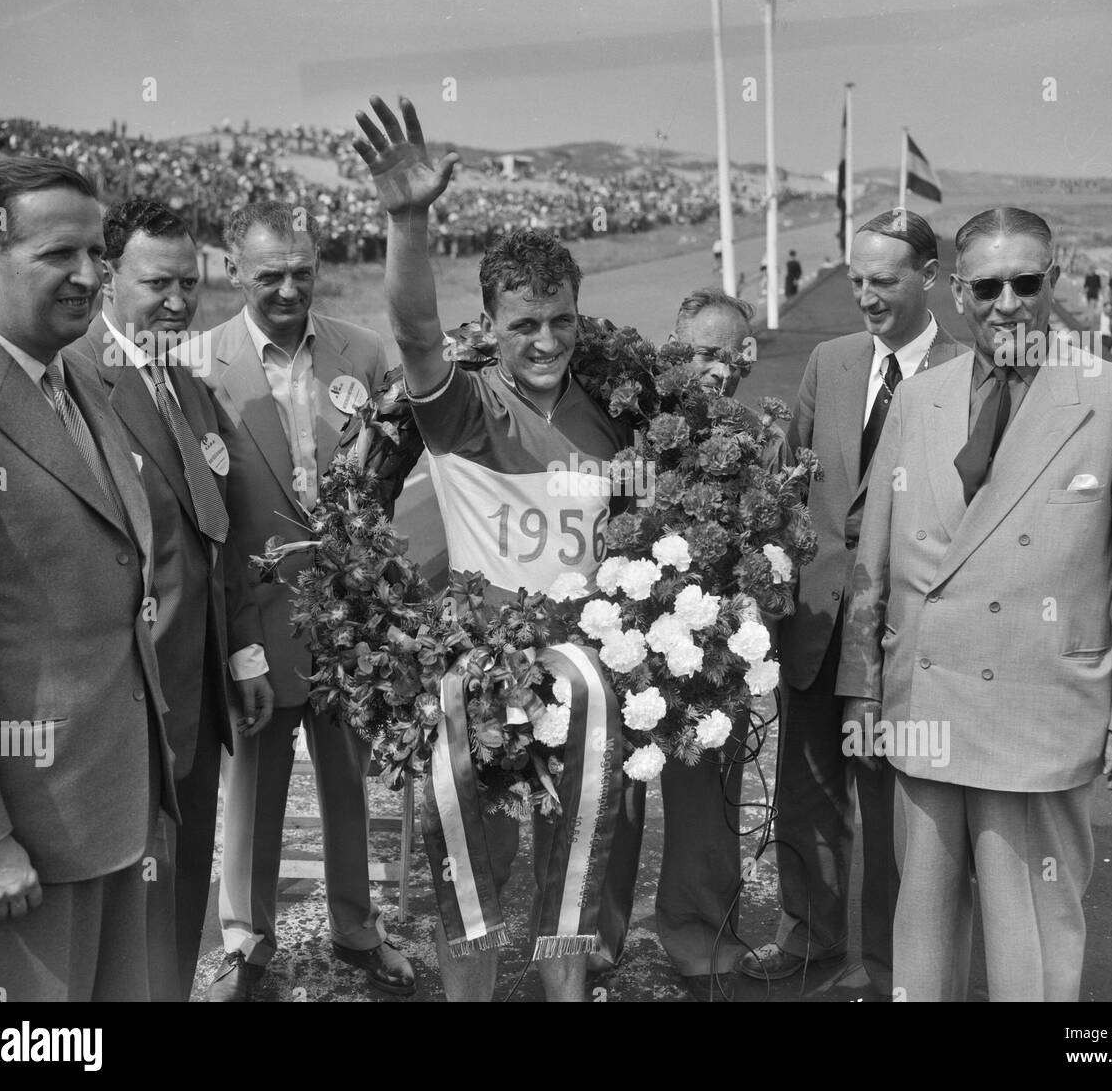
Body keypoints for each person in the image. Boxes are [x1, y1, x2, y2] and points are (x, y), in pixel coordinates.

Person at [836, 207, 1112, 1001]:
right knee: (920, 929)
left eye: (1026, 282)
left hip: (1038, 711)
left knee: (1029, 934)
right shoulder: (922, 398)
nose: (1007, 303)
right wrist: (860, 688)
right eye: (988, 285)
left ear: (1053, 283)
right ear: (957, 292)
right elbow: (874, 562)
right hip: (923, 704)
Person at [354, 94, 631, 1003]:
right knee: (465, 857)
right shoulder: (464, 407)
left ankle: (565, 993)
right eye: (523, 325)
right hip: (480, 672)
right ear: (494, 328)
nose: (545, 340)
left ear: (578, 316)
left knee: (578, 851)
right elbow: (415, 331)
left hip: (585, 675)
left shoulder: (618, 417)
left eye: (560, 320)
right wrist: (408, 221)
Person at [0, 158, 176, 1000]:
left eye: (97, 253)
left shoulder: (77, 373)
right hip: (21, 841)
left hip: (116, 807)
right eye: (59, 255)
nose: (89, 276)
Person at [190, 201, 413, 1001]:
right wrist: (233, 631)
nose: (288, 289)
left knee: (350, 780)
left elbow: (389, 477)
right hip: (255, 615)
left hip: (349, 616)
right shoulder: (194, 363)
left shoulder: (363, 349)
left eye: (302, 272)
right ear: (233, 269)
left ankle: (358, 929)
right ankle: (247, 943)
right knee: (252, 782)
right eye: (268, 274)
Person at [739, 209, 963, 995]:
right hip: (815, 623)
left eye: (884, 282)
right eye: (857, 280)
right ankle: (810, 943)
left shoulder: (970, 376)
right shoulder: (831, 362)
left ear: (929, 278)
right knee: (807, 799)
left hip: (907, 637)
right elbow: (787, 485)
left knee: (902, 814)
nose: (865, 297)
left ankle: (897, 967)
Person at [68, 197, 276, 1001]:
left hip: (192, 691)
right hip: (124, 703)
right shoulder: (76, 377)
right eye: (159, 284)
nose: (180, 303)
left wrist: (242, 650)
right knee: (127, 906)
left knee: (181, 894)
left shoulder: (185, 385)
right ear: (109, 276)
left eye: (191, 283)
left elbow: (215, 535)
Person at [649, 288, 777, 1001]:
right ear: (675, 351)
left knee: (707, 797)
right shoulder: (635, 430)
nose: (717, 371)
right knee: (613, 794)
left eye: (729, 357)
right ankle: (592, 938)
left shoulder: (762, 437)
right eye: (702, 354)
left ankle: (701, 936)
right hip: (632, 637)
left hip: (716, 653)